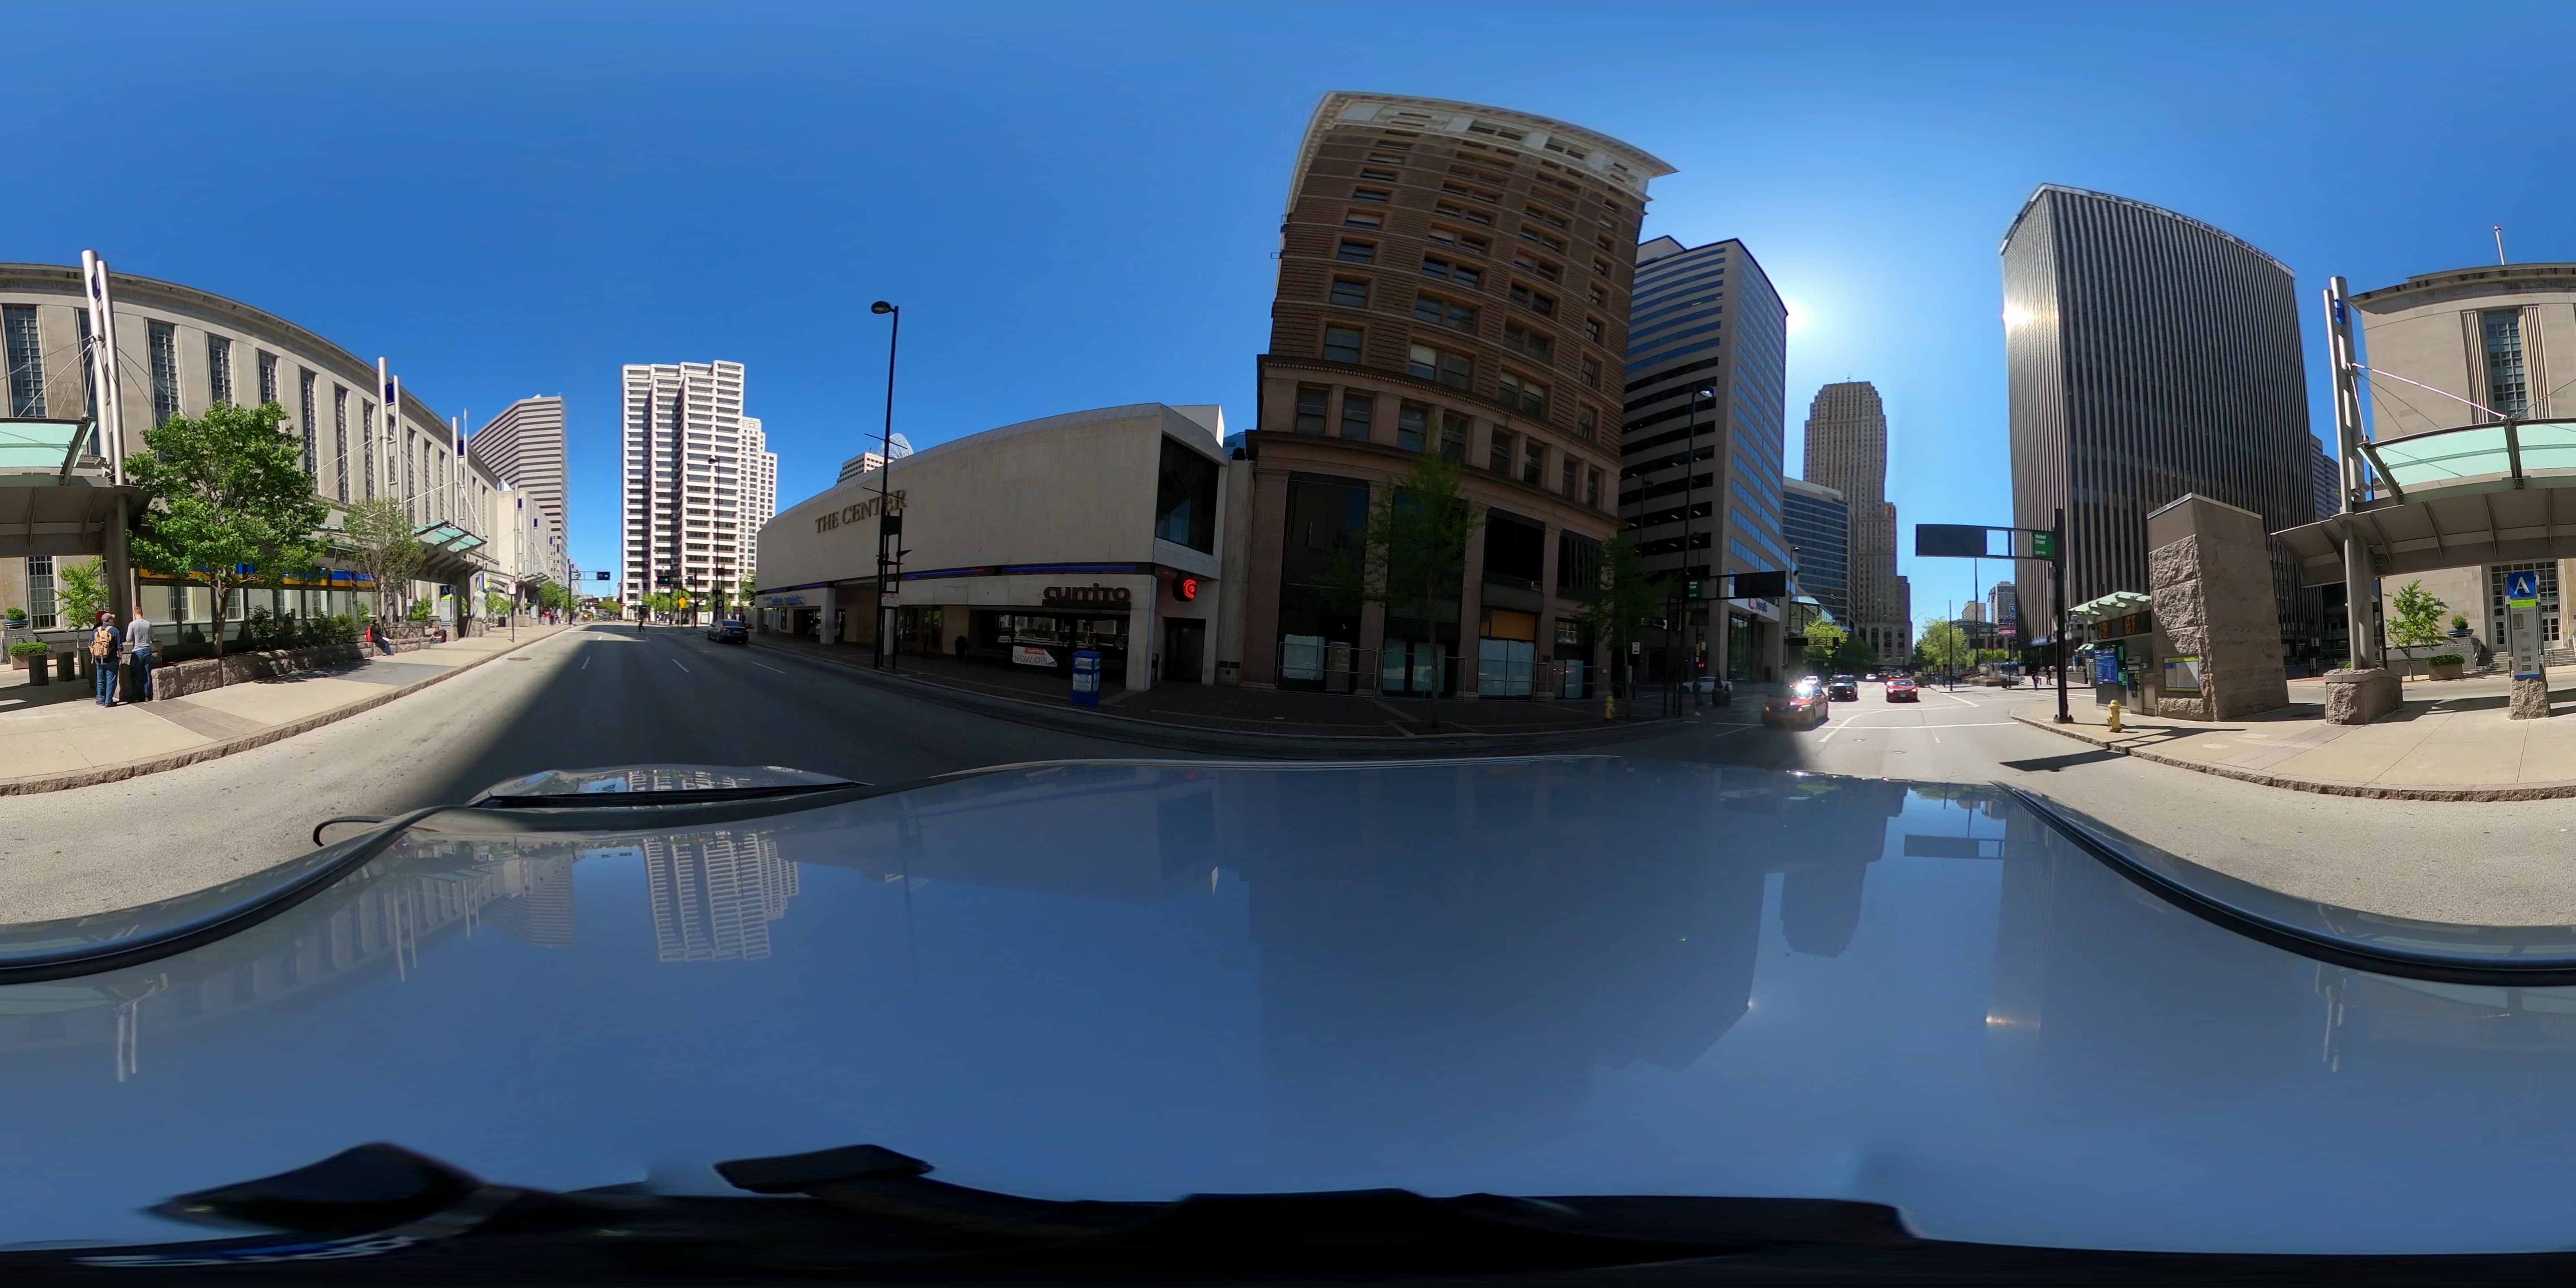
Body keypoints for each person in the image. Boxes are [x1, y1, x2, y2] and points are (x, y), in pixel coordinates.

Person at [87, 611, 121, 707]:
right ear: (110, 621)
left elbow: (90, 645)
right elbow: (120, 648)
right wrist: (120, 658)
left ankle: (101, 700)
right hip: (112, 659)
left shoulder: (96, 631)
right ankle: (109, 701)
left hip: (99, 660)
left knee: (101, 680)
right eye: (112, 619)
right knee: (111, 680)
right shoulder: (115, 631)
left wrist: (95, 654)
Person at [124, 606, 156, 703]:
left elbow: (128, 639)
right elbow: (153, 638)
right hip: (148, 650)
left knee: (135, 674)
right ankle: (147, 695)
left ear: (135, 614)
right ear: (142, 613)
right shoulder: (148, 624)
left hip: (138, 651)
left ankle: (137, 696)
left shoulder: (133, 624)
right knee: (147, 673)